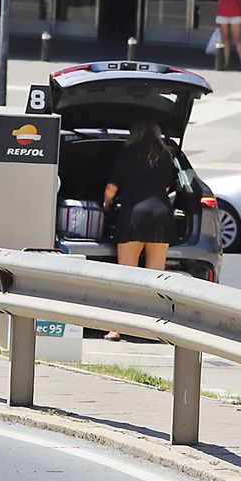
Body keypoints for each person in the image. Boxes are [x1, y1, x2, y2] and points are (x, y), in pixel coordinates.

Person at [100, 118, 176, 341]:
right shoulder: (167, 155)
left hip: (134, 215)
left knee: (126, 276)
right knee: (155, 276)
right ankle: (152, 329)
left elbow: (111, 189)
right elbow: (168, 186)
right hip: (162, 215)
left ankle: (117, 328)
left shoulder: (127, 152)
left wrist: (106, 204)